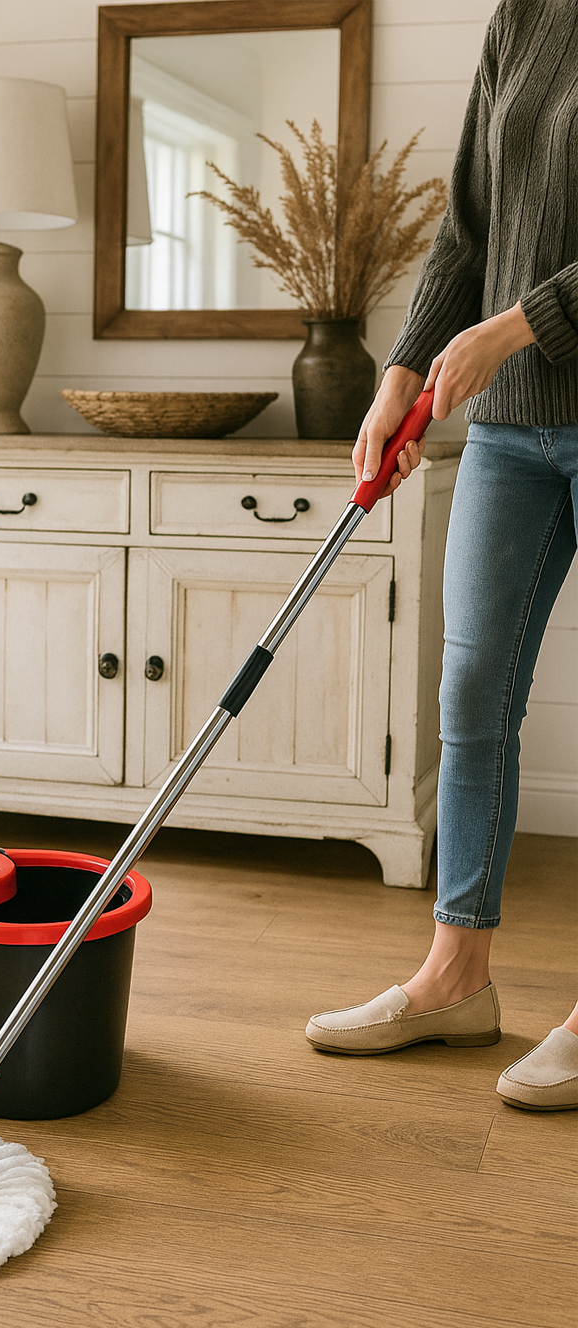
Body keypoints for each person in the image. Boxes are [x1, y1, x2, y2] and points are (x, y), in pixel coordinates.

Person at [304, 0, 578, 1110]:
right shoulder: (526, 12)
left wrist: (515, 325)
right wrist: (397, 376)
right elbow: (467, 224)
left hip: (520, 365)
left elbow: (504, 296)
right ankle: (453, 975)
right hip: (510, 430)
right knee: (470, 691)